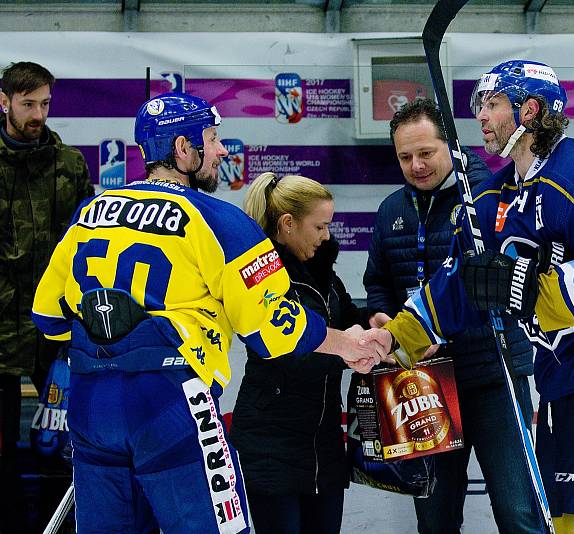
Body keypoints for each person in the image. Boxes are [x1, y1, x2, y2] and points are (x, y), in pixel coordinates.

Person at [30, 92, 384, 534]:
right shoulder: (222, 221)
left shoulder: (90, 214)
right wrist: (347, 344)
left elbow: (47, 317)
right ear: (183, 149)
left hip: (90, 403)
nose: (220, 151)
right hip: (170, 401)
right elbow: (276, 329)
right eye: (212, 139)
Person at [363, 60, 574, 534]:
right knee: (559, 523)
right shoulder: (495, 195)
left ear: (529, 110)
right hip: (563, 376)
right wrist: (393, 340)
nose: (482, 117)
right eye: (480, 107)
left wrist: (525, 290)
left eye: (492, 105)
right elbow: (456, 283)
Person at [364, 98, 538, 534]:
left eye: (427, 153)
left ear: (452, 146)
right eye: (406, 157)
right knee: (434, 516)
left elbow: (506, 284)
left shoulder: (492, 196)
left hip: (494, 376)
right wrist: (383, 317)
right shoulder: (391, 210)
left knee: (518, 510)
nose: (417, 166)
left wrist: (439, 325)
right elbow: (378, 281)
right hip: (421, 383)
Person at [230, 173, 366, 534]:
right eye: (320, 226)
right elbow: (293, 353)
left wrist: (381, 329)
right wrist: (350, 349)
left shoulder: (322, 271)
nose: (327, 236)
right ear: (288, 225)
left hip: (322, 445)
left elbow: (349, 317)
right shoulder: (261, 278)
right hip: (271, 446)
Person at [0, 61, 94, 533]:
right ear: (5, 103)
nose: (38, 114)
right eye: (28, 104)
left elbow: (91, 248)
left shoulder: (69, 164)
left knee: (66, 442)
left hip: (53, 328)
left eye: (45, 104)